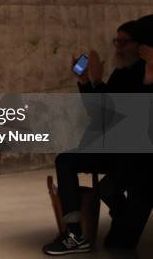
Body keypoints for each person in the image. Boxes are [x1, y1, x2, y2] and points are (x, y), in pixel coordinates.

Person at [42, 20, 150, 255]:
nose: (118, 47)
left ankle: (120, 219)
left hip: (138, 156)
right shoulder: (123, 71)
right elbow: (100, 113)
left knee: (111, 195)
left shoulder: (143, 73)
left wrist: (98, 81)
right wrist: (85, 82)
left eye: (124, 42)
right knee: (66, 161)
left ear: (141, 46)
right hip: (117, 149)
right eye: (116, 41)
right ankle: (74, 233)